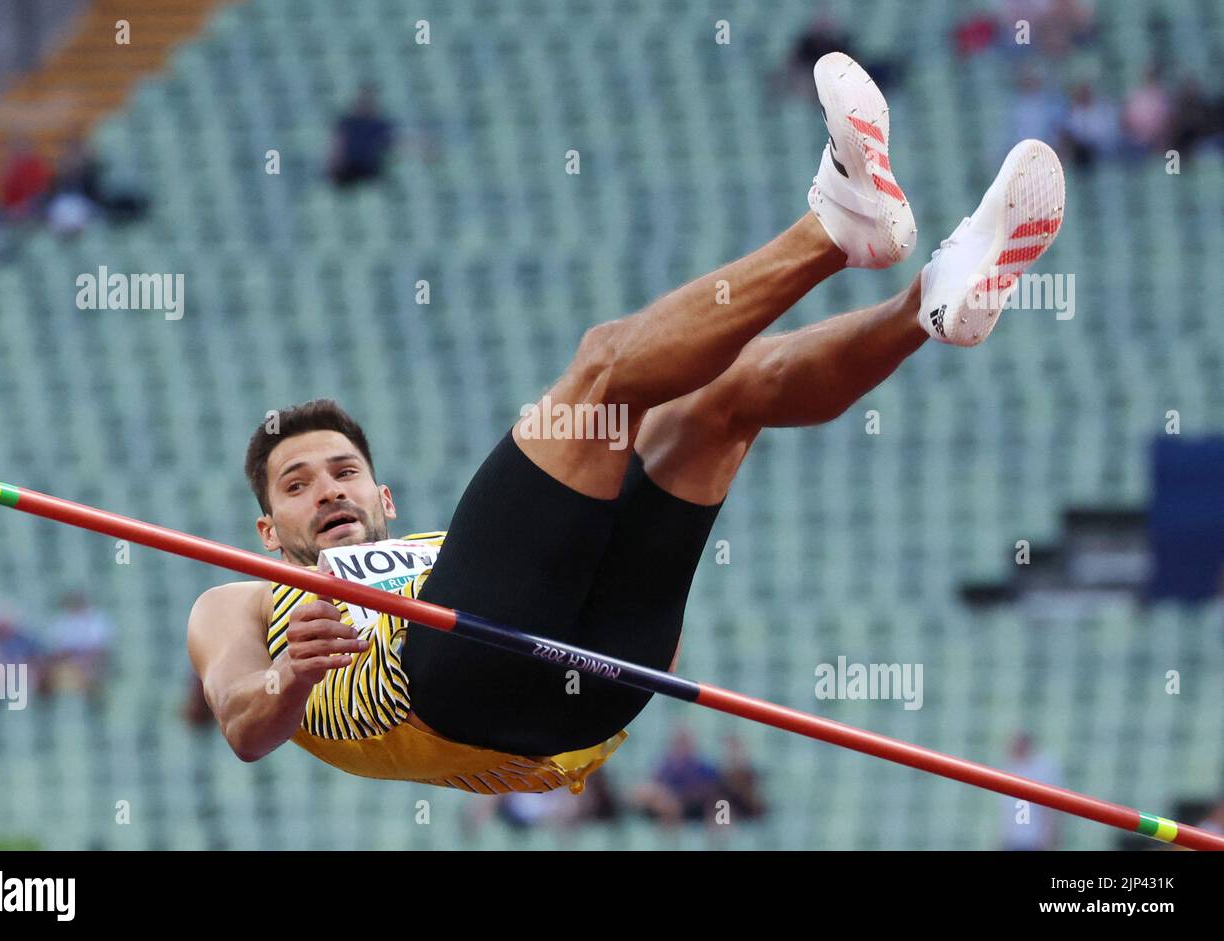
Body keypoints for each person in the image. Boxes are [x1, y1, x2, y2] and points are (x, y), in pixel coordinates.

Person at [187, 53, 1066, 796]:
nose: (327, 490)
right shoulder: (244, 598)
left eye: (341, 471)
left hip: (595, 694)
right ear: (268, 530)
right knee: (604, 371)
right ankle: (838, 225)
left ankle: (932, 301)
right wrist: (288, 677)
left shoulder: (446, 550)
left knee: (726, 400)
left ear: (383, 493)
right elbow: (241, 724)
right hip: (450, 691)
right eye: (296, 486)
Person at [327, 84, 396, 186]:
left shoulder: (381, 125)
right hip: (348, 169)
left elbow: (390, 146)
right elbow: (338, 145)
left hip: (371, 170)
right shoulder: (347, 122)